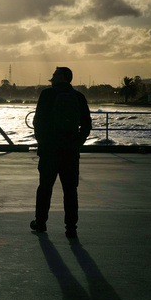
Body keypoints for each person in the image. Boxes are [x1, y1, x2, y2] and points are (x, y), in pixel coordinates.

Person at [30, 66, 92, 238]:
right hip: (70, 152)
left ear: (63, 77)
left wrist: (41, 142)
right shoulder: (79, 97)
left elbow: (38, 121)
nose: (52, 77)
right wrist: (76, 144)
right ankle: (71, 228)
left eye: (55, 74)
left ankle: (41, 223)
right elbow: (87, 126)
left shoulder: (47, 94)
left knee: (45, 188)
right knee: (70, 190)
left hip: (49, 150)